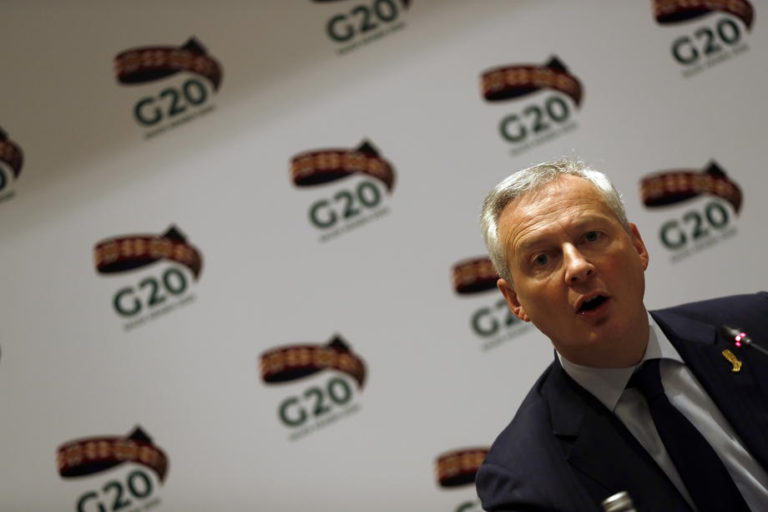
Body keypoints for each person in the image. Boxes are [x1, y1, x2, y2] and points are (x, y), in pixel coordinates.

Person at [475, 160, 768, 511]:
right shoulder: (524, 481)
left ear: (637, 246)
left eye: (591, 237)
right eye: (541, 259)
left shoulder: (758, 329)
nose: (577, 267)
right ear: (515, 301)